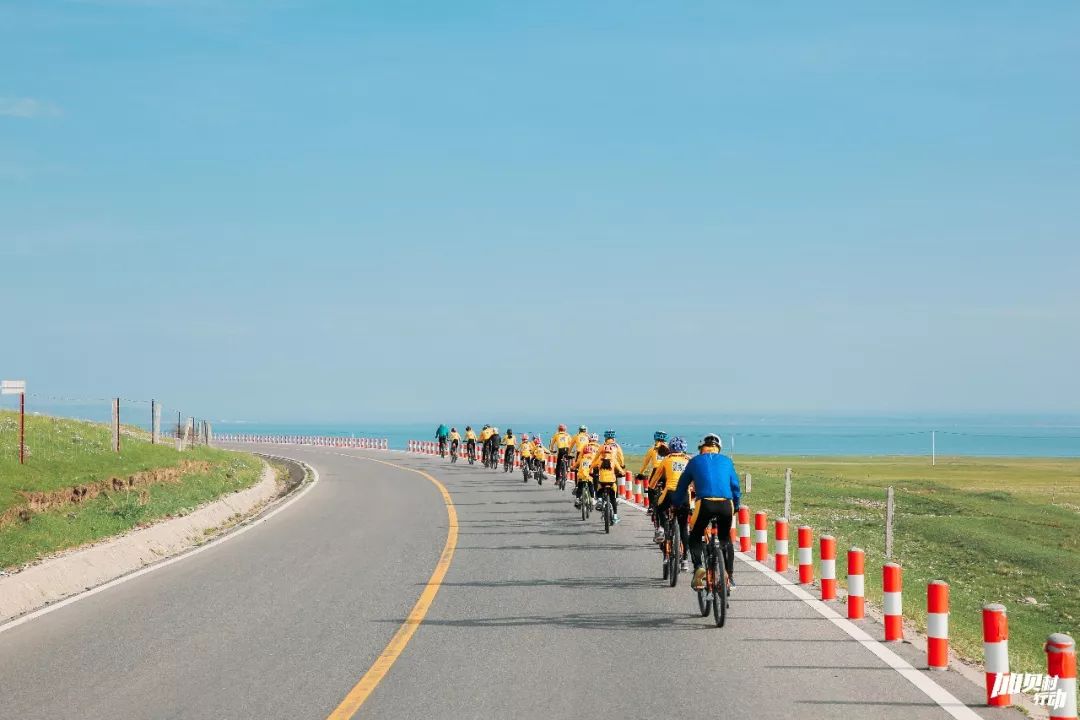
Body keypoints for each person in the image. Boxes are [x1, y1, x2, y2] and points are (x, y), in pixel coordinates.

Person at [673, 433, 741, 591]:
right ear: (718, 448)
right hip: (726, 504)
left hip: (704, 504)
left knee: (695, 535)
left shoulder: (694, 461)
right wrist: (736, 505)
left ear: (701, 448)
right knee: (725, 539)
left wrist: (676, 504)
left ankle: (698, 568)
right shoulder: (727, 461)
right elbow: (735, 487)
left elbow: (682, 485)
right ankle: (729, 577)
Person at [649, 436, 691, 570]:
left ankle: (661, 529)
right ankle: (685, 560)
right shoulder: (688, 460)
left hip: (670, 493)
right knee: (684, 526)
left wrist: (651, 486)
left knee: (660, 508)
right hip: (684, 495)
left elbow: (656, 477)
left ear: (671, 448)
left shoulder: (667, 459)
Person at [592, 437, 626, 523]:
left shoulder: (600, 460)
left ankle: (599, 500)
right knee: (613, 499)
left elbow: (592, 465)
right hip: (611, 482)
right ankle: (615, 516)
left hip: (602, 481)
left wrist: (591, 471)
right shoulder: (614, 460)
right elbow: (621, 470)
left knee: (599, 488)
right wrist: (622, 473)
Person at [573, 432, 601, 508]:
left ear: (589, 439)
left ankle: (578, 498)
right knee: (595, 482)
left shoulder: (585, 446)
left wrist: (574, 466)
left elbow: (579, 459)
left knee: (580, 485)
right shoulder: (599, 447)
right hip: (594, 466)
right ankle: (594, 497)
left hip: (582, 472)